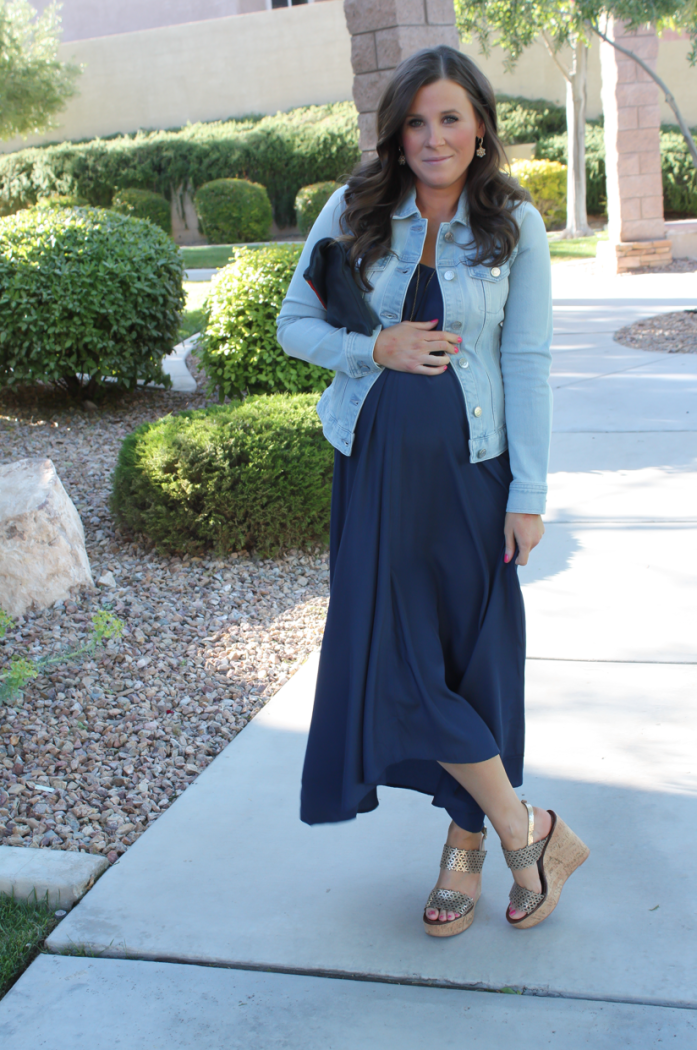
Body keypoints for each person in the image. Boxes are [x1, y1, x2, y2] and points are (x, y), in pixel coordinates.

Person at [277, 45, 588, 937]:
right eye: (415, 120)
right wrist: (372, 347)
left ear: (480, 124)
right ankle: (528, 832)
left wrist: (526, 492)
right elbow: (294, 323)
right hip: (374, 469)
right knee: (399, 659)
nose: (432, 136)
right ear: (395, 131)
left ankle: (468, 848)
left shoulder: (513, 224)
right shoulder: (356, 207)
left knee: (468, 659)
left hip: (473, 472)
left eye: (449, 117)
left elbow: (526, 362)